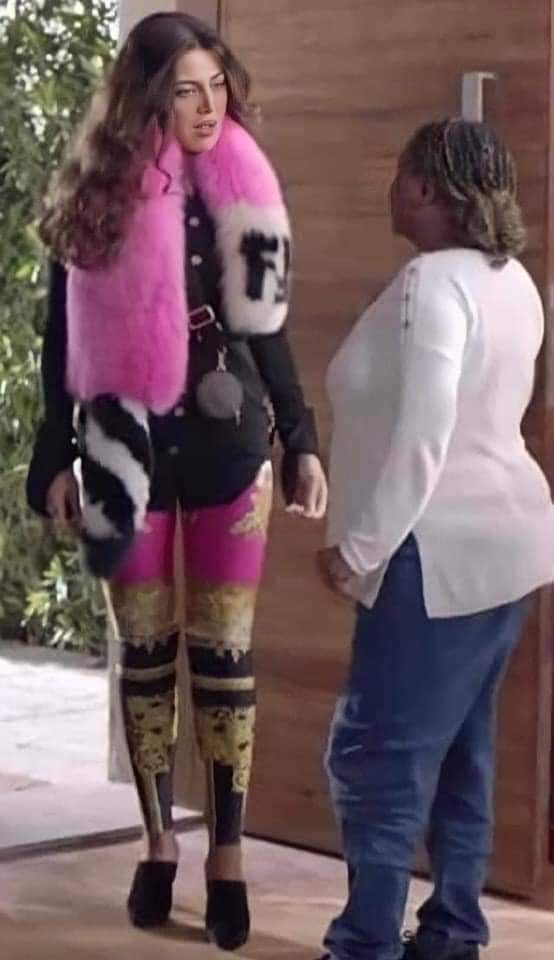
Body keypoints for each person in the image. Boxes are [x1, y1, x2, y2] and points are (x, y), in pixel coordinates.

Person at [27, 12, 327, 949]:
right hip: (123, 441)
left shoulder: (245, 180)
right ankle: (158, 843)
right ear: (147, 97)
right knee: (146, 653)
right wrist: (52, 454)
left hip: (230, 440)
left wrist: (302, 437)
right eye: (186, 90)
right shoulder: (96, 188)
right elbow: (60, 335)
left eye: (217, 85)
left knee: (225, 656)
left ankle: (226, 855)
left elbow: (268, 325)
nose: (208, 106)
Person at [317, 118, 554, 960]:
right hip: (510, 546)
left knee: (374, 758)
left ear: (423, 188)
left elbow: (427, 433)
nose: (391, 188)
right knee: (460, 753)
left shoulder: (432, 283)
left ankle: (365, 944)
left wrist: (360, 549)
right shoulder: (512, 281)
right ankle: (452, 932)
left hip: (434, 551)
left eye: (399, 175)